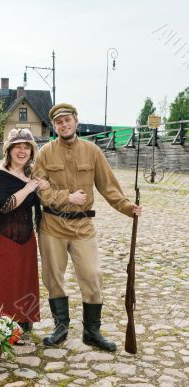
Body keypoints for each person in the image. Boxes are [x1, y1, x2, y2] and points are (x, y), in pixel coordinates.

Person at [33, 103, 141, 351]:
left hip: (83, 226)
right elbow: (41, 189)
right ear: (54, 126)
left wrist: (127, 207)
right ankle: (60, 327)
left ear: (76, 122)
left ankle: (91, 331)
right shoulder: (45, 153)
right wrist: (67, 198)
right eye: (59, 122)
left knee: (92, 276)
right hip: (52, 226)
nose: (64, 125)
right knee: (52, 278)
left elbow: (108, 186)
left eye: (68, 120)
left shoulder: (92, 151)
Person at [0, 128, 49, 333]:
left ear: (32, 152)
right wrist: (29, 187)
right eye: (18, 147)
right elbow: (4, 206)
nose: (22, 151)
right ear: (9, 150)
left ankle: (19, 321)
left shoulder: (31, 174)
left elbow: (41, 199)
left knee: (21, 280)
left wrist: (44, 186)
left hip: (25, 238)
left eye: (27, 147)